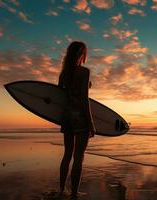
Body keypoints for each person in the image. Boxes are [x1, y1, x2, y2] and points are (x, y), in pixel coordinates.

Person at [58, 41, 96, 198]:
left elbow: (60, 96)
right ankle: (73, 194)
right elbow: (84, 99)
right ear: (82, 54)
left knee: (67, 154)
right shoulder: (84, 72)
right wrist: (91, 123)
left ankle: (61, 190)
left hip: (67, 116)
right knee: (78, 158)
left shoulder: (64, 73)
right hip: (80, 117)